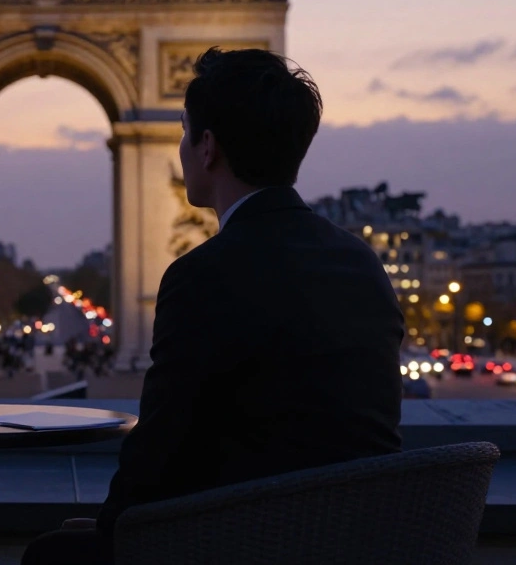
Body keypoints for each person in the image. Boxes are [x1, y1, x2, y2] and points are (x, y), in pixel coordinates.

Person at [22, 48, 404, 565]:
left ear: (206, 147)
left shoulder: (201, 276)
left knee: (53, 555)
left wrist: (113, 527)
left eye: (183, 131)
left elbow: (158, 447)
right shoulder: (363, 264)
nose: (179, 148)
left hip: (240, 540)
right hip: (360, 540)